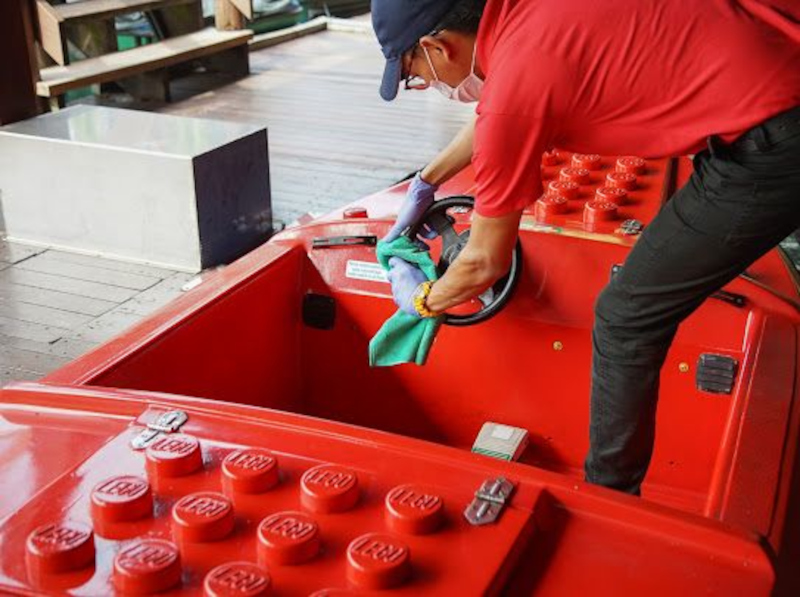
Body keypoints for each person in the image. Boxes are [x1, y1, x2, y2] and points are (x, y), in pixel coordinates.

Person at [371, 0, 800, 495]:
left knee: (625, 316)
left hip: (774, 141)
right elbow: (498, 111)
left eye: (415, 76)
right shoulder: (520, 20)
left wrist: (421, 301)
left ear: (435, 47)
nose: (428, 85)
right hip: (773, 71)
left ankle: (609, 498)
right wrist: (426, 183)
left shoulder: (516, 86)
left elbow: (485, 261)